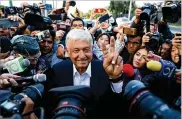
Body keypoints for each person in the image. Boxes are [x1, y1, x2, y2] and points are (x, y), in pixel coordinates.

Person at [45, 29, 127, 118]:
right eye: (76, 50)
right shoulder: (57, 71)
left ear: (92, 49)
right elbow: (49, 106)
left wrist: (115, 78)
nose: (82, 56)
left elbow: (118, 108)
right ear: (68, 51)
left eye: (86, 50)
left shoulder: (105, 68)